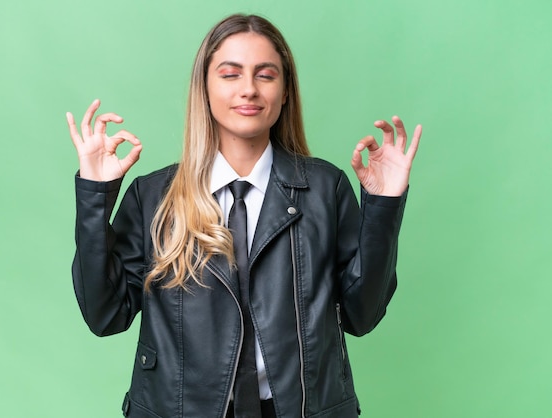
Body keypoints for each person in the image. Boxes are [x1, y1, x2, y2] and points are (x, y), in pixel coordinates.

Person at [66, 13, 421, 418]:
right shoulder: (153, 197)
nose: (248, 90)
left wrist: (383, 206)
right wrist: (95, 194)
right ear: (205, 87)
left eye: (266, 75)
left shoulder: (326, 189)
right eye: (230, 74)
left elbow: (363, 315)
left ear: (285, 92)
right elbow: (105, 315)